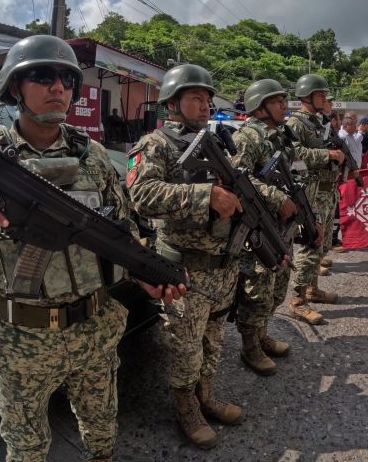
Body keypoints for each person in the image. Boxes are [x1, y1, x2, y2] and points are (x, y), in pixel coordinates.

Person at [0, 35, 184, 462]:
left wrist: (145, 272)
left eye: (66, 78)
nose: (57, 86)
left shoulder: (94, 158)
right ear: (14, 88)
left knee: (102, 433)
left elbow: (121, 232)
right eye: (41, 76)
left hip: (94, 330)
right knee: (26, 448)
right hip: (20, 340)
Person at [127, 63, 249, 449]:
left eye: (208, 99)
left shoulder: (215, 145)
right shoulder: (155, 145)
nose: (205, 105)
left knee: (213, 337)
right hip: (185, 268)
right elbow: (141, 196)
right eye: (196, 97)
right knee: (185, 344)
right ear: (173, 103)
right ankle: (186, 406)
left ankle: (205, 395)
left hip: (221, 266)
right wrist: (204, 196)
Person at [231, 79, 323, 375]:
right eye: (277, 101)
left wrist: (310, 214)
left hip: (283, 224)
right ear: (259, 108)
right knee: (258, 287)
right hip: (259, 226)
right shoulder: (247, 137)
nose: (284, 105)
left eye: (284, 99)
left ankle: (262, 333)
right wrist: (277, 197)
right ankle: (250, 345)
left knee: (279, 284)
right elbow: (237, 177)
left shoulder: (281, 135)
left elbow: (298, 171)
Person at [286, 74, 347, 324]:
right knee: (311, 245)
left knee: (322, 246)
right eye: (320, 94)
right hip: (311, 192)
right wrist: (327, 154)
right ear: (307, 97)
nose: (325, 98)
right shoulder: (296, 123)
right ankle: (298, 301)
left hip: (326, 191)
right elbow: (293, 153)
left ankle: (312, 289)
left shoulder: (317, 122)